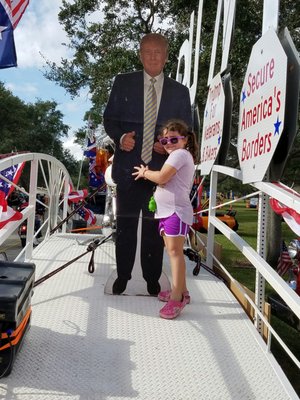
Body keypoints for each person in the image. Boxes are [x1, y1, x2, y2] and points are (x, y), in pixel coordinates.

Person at [103, 33, 193, 295]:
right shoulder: (123, 83)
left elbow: (188, 129)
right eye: (147, 52)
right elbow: (109, 119)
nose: (153, 57)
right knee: (126, 225)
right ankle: (122, 276)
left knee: (155, 229)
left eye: (158, 52)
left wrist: (167, 145)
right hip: (128, 169)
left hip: (161, 172)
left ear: (166, 56)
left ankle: (153, 279)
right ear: (140, 54)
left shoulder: (179, 92)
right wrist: (120, 138)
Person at [132, 119, 198, 319]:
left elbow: (162, 177)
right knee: (173, 252)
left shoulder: (180, 154)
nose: (168, 143)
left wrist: (144, 172)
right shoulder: (179, 155)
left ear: (185, 140)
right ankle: (182, 292)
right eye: (164, 140)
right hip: (167, 211)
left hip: (175, 211)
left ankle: (176, 299)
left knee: (175, 253)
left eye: (174, 139)